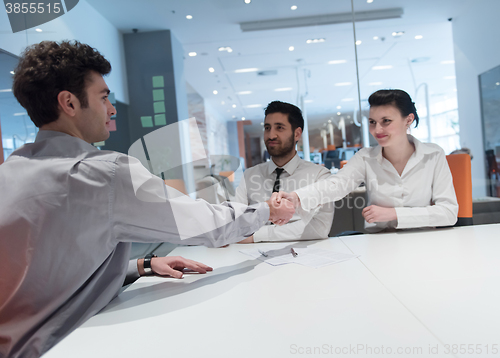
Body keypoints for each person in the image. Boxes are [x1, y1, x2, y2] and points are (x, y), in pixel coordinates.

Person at [0, 40, 294, 358]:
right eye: (103, 98)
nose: (111, 109)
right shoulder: (102, 174)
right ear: (69, 103)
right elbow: (207, 225)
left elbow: (44, 273)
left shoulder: (10, 173)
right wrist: (266, 209)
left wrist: (141, 266)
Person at [277, 89, 458, 232]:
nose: (377, 129)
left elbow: (449, 212)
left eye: (386, 121)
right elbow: (336, 185)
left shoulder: (433, 155)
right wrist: (296, 197)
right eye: (372, 122)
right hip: (382, 242)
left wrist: (393, 214)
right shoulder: (366, 157)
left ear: (408, 120)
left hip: (426, 242)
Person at [233, 101, 334, 243]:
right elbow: (236, 223)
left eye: (279, 128)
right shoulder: (249, 175)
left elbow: (319, 227)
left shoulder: (319, 176)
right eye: (267, 128)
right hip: (253, 257)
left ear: (297, 133)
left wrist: (255, 236)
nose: (271, 135)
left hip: (305, 256)